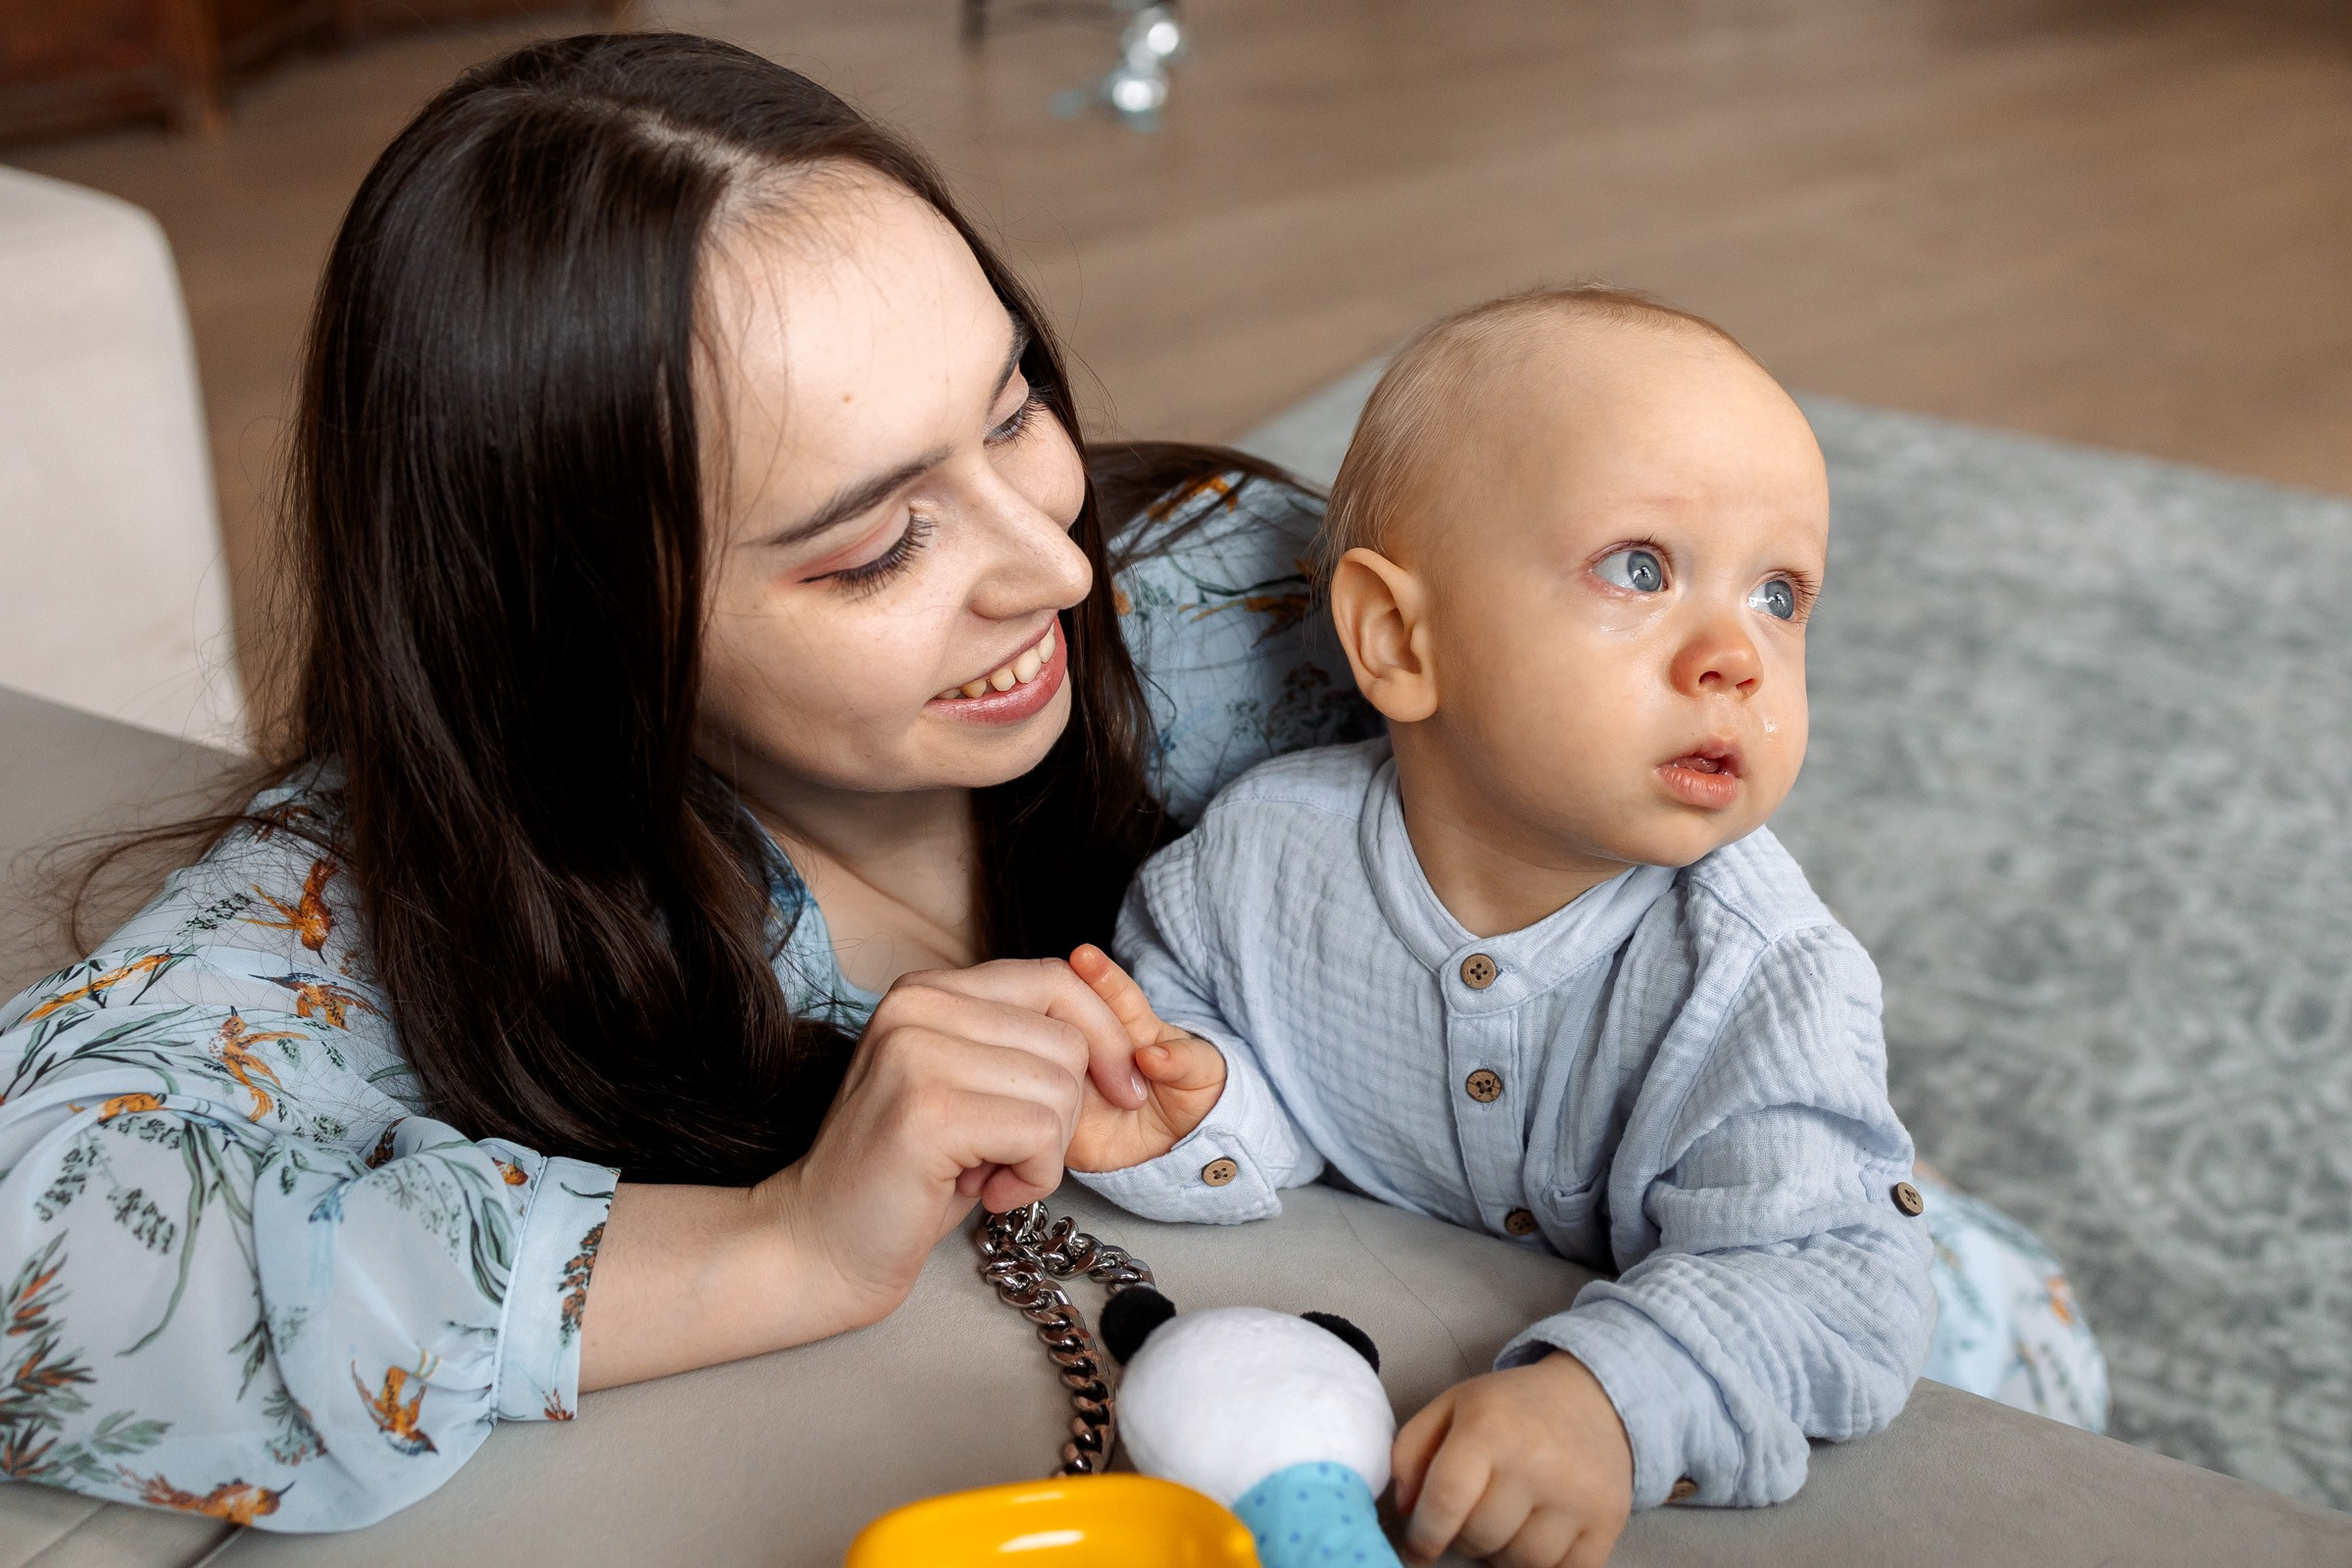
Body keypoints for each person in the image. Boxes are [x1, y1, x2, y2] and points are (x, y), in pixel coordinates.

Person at [0, 32, 1360, 1530]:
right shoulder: (381, 908)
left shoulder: (1229, 596)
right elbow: (37, 1254)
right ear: (580, 630)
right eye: (874, 548)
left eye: (1014, 408)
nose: (1055, 559)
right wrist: (782, 1247)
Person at [1065, 288, 2109, 1568]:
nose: (1735, 653)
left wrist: (1609, 1399)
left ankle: (1917, 1192)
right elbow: (1217, 1040)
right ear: (1398, 637)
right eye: (1641, 568)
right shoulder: (1259, 857)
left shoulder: (1759, 967)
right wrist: (1195, 1106)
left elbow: (1838, 1286)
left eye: (1782, 595)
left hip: (1976, 1325)